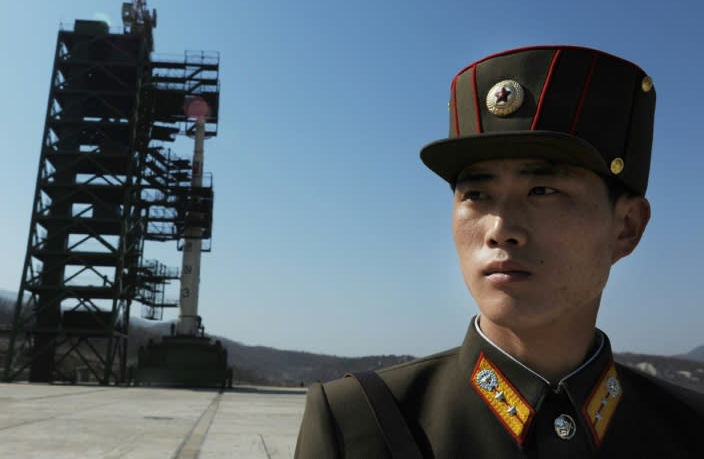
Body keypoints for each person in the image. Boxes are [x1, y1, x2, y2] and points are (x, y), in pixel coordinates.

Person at [294, 45, 704, 458]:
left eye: (543, 191)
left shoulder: (689, 430)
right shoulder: (362, 424)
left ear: (627, 227)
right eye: (476, 193)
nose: (500, 230)